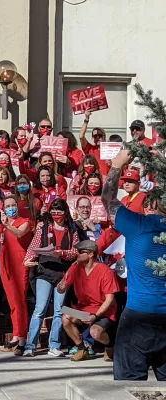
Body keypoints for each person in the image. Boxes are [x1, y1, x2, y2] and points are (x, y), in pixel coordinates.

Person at [101, 149, 166, 381]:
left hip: (139, 315)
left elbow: (107, 198)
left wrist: (117, 166)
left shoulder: (137, 224)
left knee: (127, 388)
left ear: (148, 206)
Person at [23, 198, 79, 357]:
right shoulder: (43, 228)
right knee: (39, 309)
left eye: (59, 212)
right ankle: (30, 345)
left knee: (59, 311)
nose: (56, 215)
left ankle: (54, 345)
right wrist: (28, 259)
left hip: (62, 274)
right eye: (53, 212)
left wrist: (63, 253)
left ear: (65, 213)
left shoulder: (71, 230)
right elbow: (34, 246)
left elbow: (75, 251)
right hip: (44, 272)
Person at [57, 240, 119, 362]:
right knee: (65, 315)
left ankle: (110, 346)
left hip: (104, 311)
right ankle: (82, 349)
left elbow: (110, 299)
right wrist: (61, 286)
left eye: (81, 252)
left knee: (95, 332)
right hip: (84, 309)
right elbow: (60, 289)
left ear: (91, 254)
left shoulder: (105, 271)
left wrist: (95, 316)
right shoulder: (75, 268)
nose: (77, 255)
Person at [0, 195, 32, 355]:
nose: (11, 207)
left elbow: (19, 233)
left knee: (20, 302)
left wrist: (6, 225)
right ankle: (16, 334)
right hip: (6, 265)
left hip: (19, 264)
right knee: (13, 303)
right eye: (8, 205)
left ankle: (22, 337)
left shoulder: (24, 221)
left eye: (13, 205)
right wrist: (4, 225)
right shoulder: (2, 226)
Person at [79, 111, 109, 175]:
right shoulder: (90, 149)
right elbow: (81, 136)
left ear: (104, 137)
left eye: (100, 135)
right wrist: (86, 119)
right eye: (95, 136)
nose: (97, 137)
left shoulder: (110, 150)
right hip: (94, 181)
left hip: (108, 182)